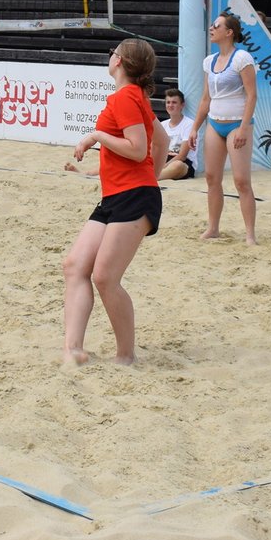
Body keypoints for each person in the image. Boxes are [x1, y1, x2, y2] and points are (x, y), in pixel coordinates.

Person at [61, 39, 169, 366]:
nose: (110, 57)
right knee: (75, 266)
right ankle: (73, 350)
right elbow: (162, 140)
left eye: (112, 53)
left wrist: (95, 136)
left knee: (105, 277)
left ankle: (125, 356)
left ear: (119, 60)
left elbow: (137, 149)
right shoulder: (134, 97)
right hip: (117, 194)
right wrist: (151, 176)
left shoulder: (126, 97)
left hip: (134, 196)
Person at [190, 11, 259, 244]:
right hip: (214, 123)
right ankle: (213, 228)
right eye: (212, 25)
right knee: (211, 178)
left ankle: (250, 234)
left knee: (241, 181)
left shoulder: (242, 58)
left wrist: (243, 128)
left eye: (216, 26)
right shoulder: (209, 61)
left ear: (229, 32)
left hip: (237, 123)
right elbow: (205, 99)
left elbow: (252, 96)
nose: (212, 28)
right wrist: (195, 128)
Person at [159, 87, 196, 181]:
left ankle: (152, 178)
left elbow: (182, 156)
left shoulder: (189, 124)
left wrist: (163, 166)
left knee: (177, 165)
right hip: (164, 160)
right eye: (168, 102)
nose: (170, 105)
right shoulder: (162, 125)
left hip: (183, 162)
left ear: (182, 105)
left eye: (174, 102)